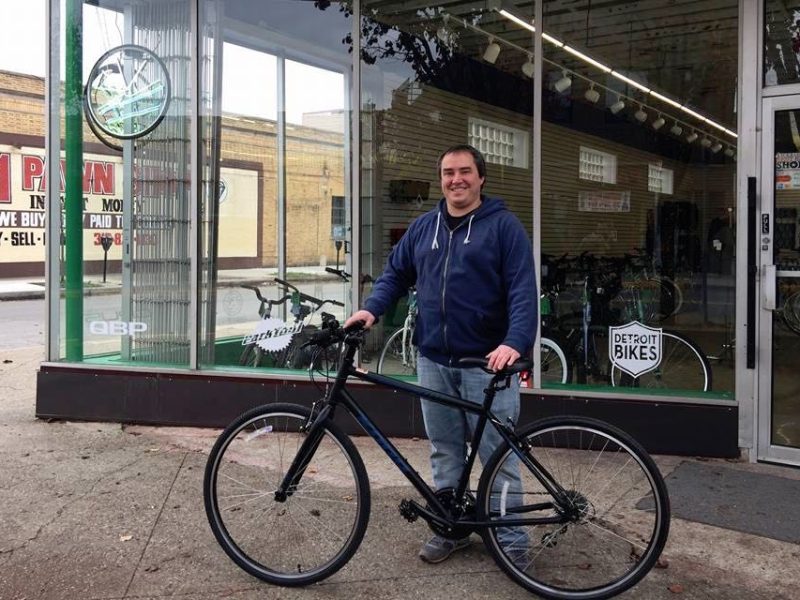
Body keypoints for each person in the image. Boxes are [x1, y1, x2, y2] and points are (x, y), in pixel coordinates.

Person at [345, 144, 537, 564]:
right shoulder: (423, 228)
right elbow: (395, 274)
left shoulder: (504, 228)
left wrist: (515, 342)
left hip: (489, 363)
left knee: (497, 454)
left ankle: (512, 539)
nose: (456, 180)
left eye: (465, 171)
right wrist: (371, 309)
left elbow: (524, 292)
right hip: (434, 360)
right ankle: (451, 526)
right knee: (445, 448)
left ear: (481, 177)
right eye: (448, 172)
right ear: (441, 179)